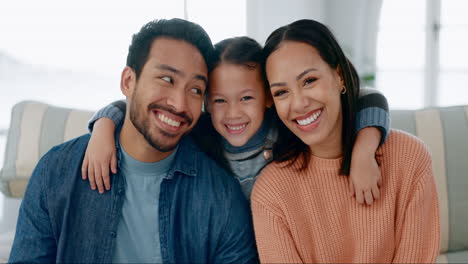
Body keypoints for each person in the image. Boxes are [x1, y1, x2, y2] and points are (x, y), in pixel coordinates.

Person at [9, 18, 258, 263]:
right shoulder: (55, 173)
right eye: (167, 79)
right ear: (128, 81)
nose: (180, 104)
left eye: (195, 90)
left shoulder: (221, 196)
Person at [84, 36, 390, 202]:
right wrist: (103, 128)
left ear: (269, 97)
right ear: (205, 102)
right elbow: (136, 105)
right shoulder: (202, 134)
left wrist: (364, 150)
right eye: (218, 100)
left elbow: (368, 97)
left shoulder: (285, 128)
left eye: (246, 98)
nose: (232, 114)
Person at [251, 19, 440, 263]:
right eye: (281, 92)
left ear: (339, 76)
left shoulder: (409, 158)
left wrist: (363, 152)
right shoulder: (271, 192)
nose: (298, 104)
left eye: (309, 81)